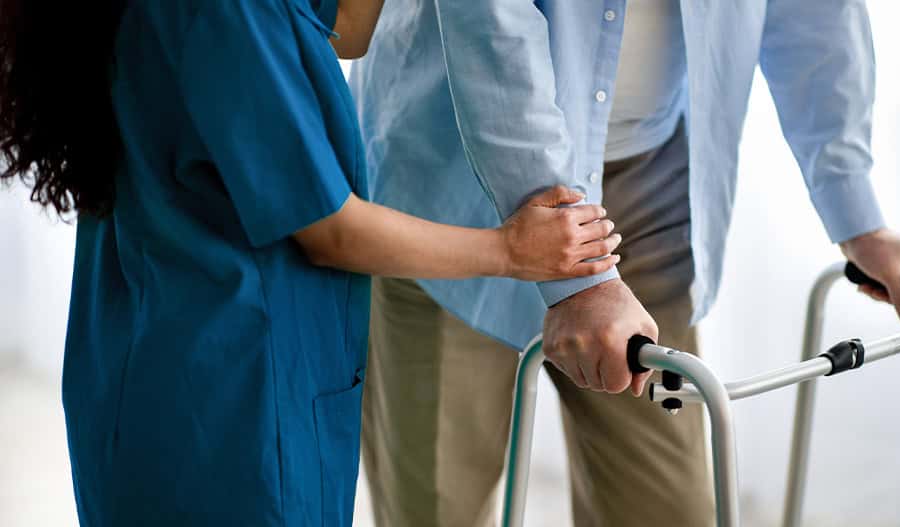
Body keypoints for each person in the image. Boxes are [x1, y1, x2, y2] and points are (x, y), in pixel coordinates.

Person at [0, 1, 623, 525]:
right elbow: (331, 229)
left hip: (167, 370)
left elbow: (345, 30)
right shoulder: (223, 11)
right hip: (225, 405)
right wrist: (511, 250)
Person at [351, 1, 900, 526]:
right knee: (435, 504)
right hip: (454, 190)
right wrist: (576, 273)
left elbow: (815, 16)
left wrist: (858, 219)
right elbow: (492, 28)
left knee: (667, 507)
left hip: (648, 178)